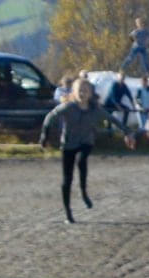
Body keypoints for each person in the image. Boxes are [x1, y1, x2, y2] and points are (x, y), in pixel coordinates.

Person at [40, 79, 131, 223]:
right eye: (80, 90)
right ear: (74, 93)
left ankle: (83, 191)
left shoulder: (95, 110)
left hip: (85, 142)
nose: (82, 93)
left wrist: (127, 132)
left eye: (85, 90)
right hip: (69, 144)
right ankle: (68, 212)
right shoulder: (68, 107)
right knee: (67, 179)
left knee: (82, 160)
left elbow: (112, 119)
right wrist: (44, 136)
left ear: (90, 93)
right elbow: (50, 117)